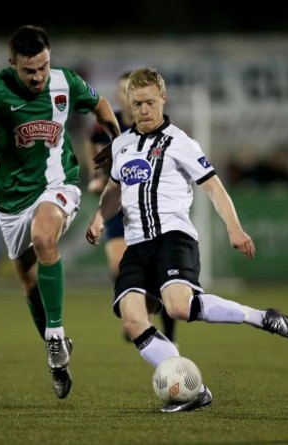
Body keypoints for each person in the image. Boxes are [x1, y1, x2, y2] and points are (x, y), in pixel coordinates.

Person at [86, 67, 288, 413]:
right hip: (136, 246)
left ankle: (259, 316)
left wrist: (234, 227)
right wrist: (98, 217)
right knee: (132, 321)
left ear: (163, 100)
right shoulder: (121, 145)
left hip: (173, 237)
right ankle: (193, 391)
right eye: (136, 103)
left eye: (149, 103)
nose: (143, 110)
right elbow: (113, 190)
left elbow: (213, 187)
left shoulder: (180, 142)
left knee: (179, 307)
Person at [0, 25, 121, 400]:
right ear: (13, 64)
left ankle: (56, 335)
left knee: (44, 236)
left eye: (43, 66)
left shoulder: (66, 82)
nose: (39, 76)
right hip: (11, 199)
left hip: (58, 183)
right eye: (30, 70)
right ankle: (56, 356)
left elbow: (102, 106)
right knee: (30, 286)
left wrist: (118, 141)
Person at [84, 71, 178, 344]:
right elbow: (92, 143)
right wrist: (97, 176)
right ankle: (138, 312)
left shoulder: (154, 125)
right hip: (118, 207)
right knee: (117, 263)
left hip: (148, 208)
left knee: (164, 276)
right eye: (125, 92)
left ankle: (167, 334)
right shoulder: (106, 125)